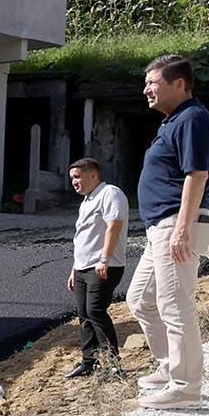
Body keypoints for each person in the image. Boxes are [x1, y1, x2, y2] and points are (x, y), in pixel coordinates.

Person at [128, 54, 209, 409]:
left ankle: (186, 386)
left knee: (176, 306)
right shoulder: (174, 120)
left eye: (153, 82)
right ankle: (169, 366)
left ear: (179, 84)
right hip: (161, 227)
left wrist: (182, 229)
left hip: (176, 224)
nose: (146, 89)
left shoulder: (192, 118)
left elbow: (197, 175)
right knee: (140, 300)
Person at [64, 158, 129, 381]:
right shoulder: (86, 201)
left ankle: (114, 366)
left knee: (96, 311)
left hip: (104, 265)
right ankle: (89, 362)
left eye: (77, 177)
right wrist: (74, 269)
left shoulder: (110, 193)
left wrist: (104, 259)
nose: (74, 182)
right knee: (84, 314)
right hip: (83, 267)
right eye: (72, 178)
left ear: (93, 174)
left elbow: (114, 226)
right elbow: (84, 238)